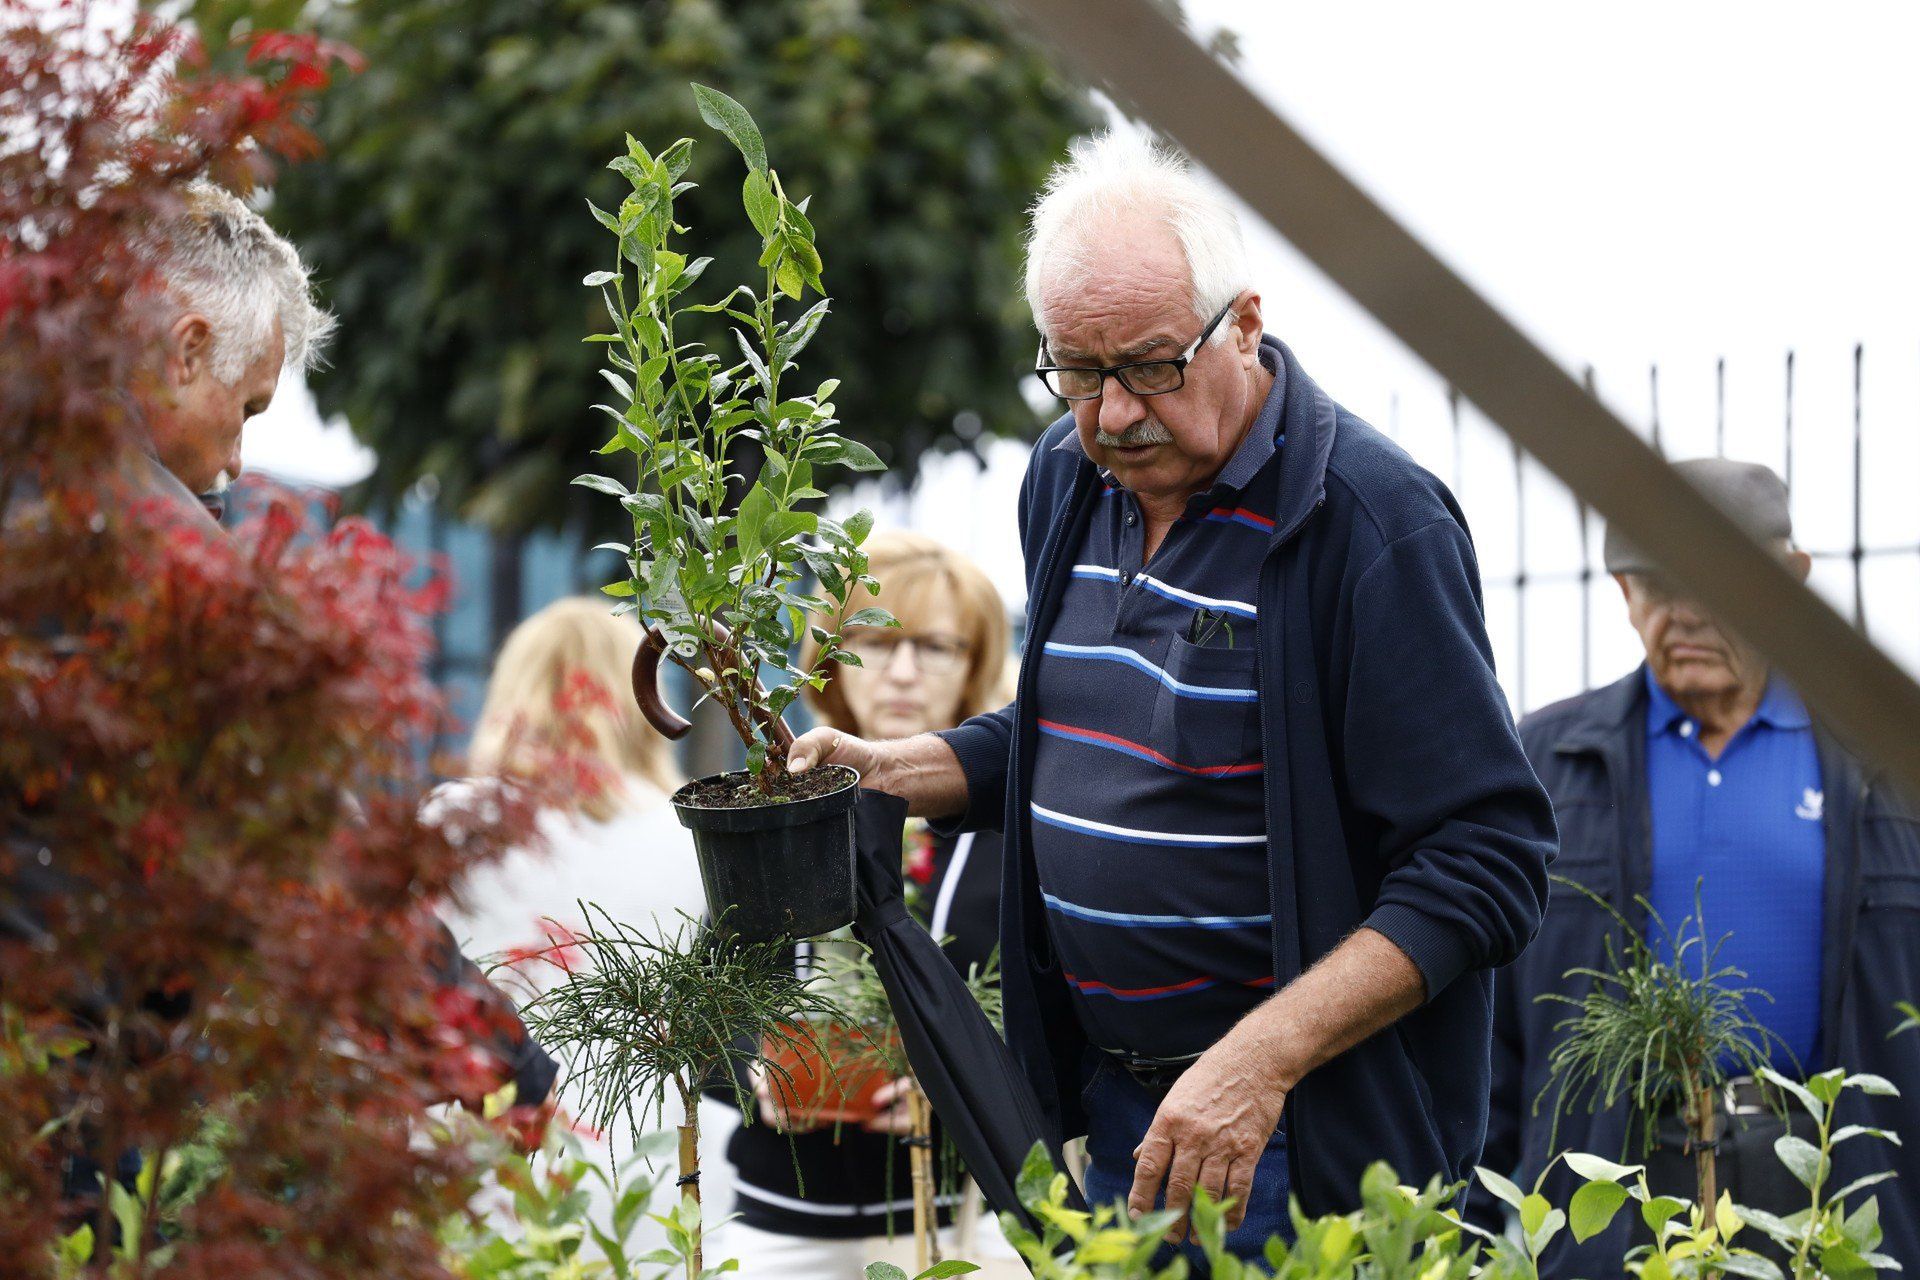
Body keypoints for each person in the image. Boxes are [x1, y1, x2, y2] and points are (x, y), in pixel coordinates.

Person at [785, 133, 1558, 1267]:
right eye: (1076, 370)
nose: (1113, 414)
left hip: (1297, 1139)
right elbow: (1093, 729)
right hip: (1113, 1117)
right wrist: (914, 768)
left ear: (1243, 323)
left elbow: (1489, 857)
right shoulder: (1069, 477)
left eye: (1150, 365)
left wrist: (1258, 1061)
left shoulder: (1372, 526)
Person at [1470, 459, 1919, 1275]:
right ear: (1622, 591)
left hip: (1833, 1186)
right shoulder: (1545, 763)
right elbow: (1489, 1027)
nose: (1685, 613)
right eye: (1656, 584)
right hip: (1617, 1193)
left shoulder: (1886, 761)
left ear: (1790, 579)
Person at [712, 531, 1021, 1280]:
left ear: (976, 663)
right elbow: (706, 999)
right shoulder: (775, 808)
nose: (905, 672)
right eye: (876, 643)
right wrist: (755, 1073)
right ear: (832, 657)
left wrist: (958, 1081)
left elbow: (1062, 1015)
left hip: (964, 1223)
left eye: (938, 646)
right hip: (786, 1222)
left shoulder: (1016, 825)